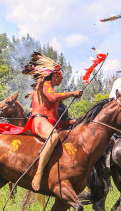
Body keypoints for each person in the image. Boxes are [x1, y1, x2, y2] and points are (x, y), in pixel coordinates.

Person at [22, 52, 83, 191]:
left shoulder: (48, 87)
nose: (62, 80)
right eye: (61, 75)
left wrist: (75, 121)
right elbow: (53, 97)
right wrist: (72, 93)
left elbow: (58, 123)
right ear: (56, 74)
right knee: (54, 136)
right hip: (38, 121)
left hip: (46, 122)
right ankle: (38, 173)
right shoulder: (45, 83)